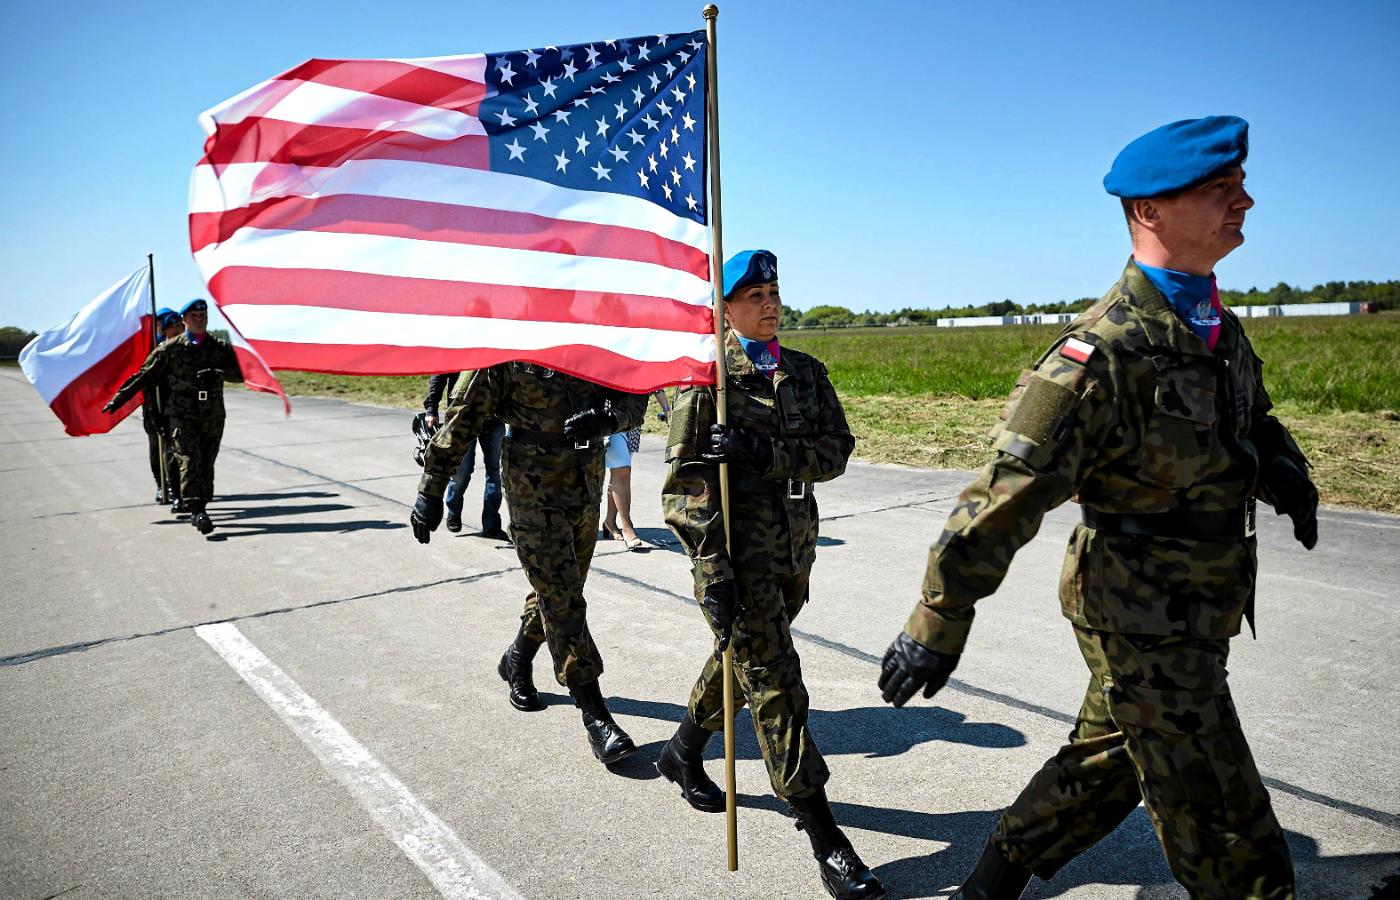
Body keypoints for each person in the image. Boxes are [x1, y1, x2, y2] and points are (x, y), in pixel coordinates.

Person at [876, 116, 1316, 900]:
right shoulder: (1100, 353)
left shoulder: (1211, 321)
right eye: (1221, 188)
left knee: (1114, 754)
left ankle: (993, 878)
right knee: (1231, 835)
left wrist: (1285, 472)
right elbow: (1003, 495)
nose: (1244, 200)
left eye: (1239, 184)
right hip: (1141, 611)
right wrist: (937, 623)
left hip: (1201, 603)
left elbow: (1250, 418)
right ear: (1150, 210)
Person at [660, 251, 884, 900]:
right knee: (778, 686)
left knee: (743, 664)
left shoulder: (806, 374)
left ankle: (680, 750)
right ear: (723, 309)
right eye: (752, 294)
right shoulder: (708, 383)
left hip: (793, 557)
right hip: (737, 565)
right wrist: (713, 578)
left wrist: (766, 452)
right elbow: (685, 492)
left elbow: (835, 452)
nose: (768, 302)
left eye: (773, 290)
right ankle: (826, 838)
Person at [409, 362, 648, 766]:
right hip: (531, 483)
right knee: (563, 597)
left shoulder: (592, 343)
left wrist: (609, 418)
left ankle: (517, 657)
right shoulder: (514, 347)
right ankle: (594, 712)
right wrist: (431, 489)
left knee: (560, 589)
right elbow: (466, 413)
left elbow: (635, 395)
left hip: (586, 480)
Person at [104, 299, 244, 535]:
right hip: (182, 415)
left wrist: (219, 373)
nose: (199, 319)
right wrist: (118, 399)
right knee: (189, 460)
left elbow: (242, 374)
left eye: (203, 315)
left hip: (211, 415)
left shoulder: (219, 348)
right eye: (194, 316)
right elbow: (144, 376)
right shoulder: (169, 349)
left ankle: (201, 503)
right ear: (184, 320)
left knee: (206, 463)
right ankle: (197, 510)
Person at [423, 372, 507, 540]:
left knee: (496, 474)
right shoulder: (462, 346)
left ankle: (491, 524)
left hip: (494, 419)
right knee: (461, 472)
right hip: (462, 417)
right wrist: (431, 407)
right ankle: (453, 510)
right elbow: (440, 373)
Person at [601, 389, 671, 550]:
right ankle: (628, 528)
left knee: (619, 476)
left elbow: (651, 380)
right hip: (609, 417)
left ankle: (610, 522)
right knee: (623, 472)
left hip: (632, 419)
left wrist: (666, 408)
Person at [141, 308, 184, 507]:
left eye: (179, 326)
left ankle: (179, 488)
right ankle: (161, 485)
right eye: (172, 326)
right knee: (157, 448)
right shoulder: (150, 347)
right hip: (154, 405)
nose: (177, 329)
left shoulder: (184, 346)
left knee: (178, 449)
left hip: (177, 406)